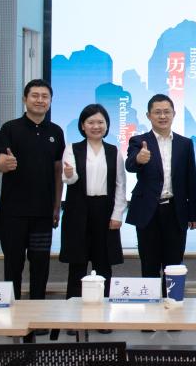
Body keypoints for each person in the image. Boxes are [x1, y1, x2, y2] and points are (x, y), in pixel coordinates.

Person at [0, 79, 65, 300]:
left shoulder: (56, 131)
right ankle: (12, 311)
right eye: (35, 95)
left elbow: (58, 172)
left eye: (45, 96)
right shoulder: (10, 128)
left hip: (43, 213)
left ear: (50, 101)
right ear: (25, 99)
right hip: (13, 212)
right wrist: (5, 163)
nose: (40, 100)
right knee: (13, 264)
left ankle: (38, 311)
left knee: (40, 265)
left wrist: (56, 206)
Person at [125, 94, 196, 288]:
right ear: (148, 115)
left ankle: (173, 302)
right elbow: (130, 165)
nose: (162, 116)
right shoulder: (139, 141)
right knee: (149, 264)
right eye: (157, 112)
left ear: (174, 114)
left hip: (175, 211)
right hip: (148, 212)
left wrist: (194, 213)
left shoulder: (184, 144)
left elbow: (191, 179)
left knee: (174, 266)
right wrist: (139, 159)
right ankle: (150, 303)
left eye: (167, 112)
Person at [59, 104, 126, 298]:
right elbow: (69, 180)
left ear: (107, 125)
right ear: (82, 125)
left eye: (100, 122)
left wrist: (117, 214)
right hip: (78, 210)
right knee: (77, 265)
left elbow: (120, 184)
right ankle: (74, 309)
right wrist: (69, 173)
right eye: (91, 122)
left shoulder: (114, 151)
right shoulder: (72, 148)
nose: (96, 126)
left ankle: (104, 310)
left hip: (105, 211)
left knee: (103, 264)